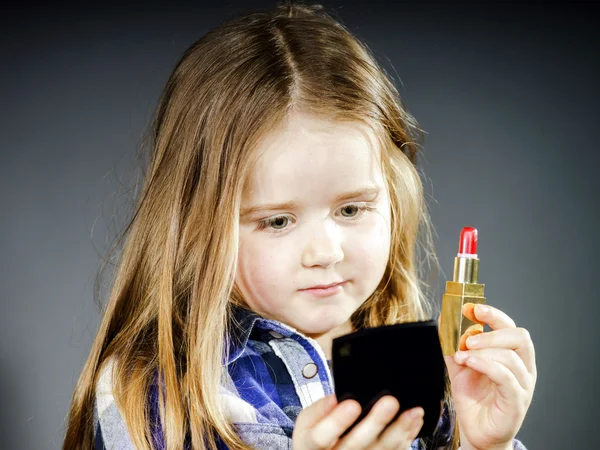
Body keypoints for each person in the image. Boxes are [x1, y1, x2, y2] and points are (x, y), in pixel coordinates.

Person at [63, 2, 537, 449]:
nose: (326, 252)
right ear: (196, 225)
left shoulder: (426, 374)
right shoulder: (149, 395)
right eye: (277, 221)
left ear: (394, 197)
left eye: (351, 210)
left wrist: (481, 445)